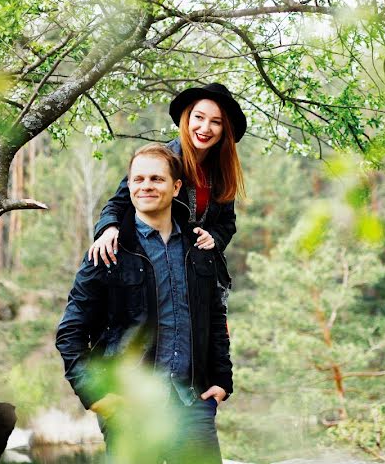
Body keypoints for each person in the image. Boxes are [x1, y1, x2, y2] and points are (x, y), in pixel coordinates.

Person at [56, 144, 233, 463]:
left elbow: (215, 319)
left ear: (176, 186)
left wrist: (221, 381)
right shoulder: (107, 253)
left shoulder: (198, 248)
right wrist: (95, 395)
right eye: (138, 179)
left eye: (156, 178)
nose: (146, 186)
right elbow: (70, 333)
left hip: (192, 405)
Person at [88, 82, 246, 268]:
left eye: (216, 122)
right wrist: (108, 229)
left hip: (199, 269)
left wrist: (214, 238)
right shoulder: (161, 159)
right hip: (151, 261)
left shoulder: (222, 170)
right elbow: (117, 204)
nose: (205, 128)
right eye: (199, 117)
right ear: (187, 119)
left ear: (224, 128)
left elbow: (227, 223)